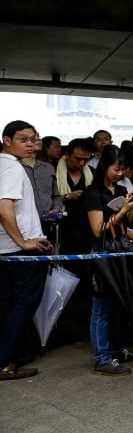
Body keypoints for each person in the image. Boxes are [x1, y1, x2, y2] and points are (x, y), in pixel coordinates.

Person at [85, 145, 133, 375]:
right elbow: (98, 230)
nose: (120, 173)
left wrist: (131, 206)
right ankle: (102, 357)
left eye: (122, 169)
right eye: (115, 169)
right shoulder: (94, 194)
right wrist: (121, 212)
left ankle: (115, 349)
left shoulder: (121, 188)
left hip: (121, 250)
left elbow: (130, 223)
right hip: (102, 255)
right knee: (101, 306)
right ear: (104, 167)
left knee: (119, 303)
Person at [0, 120, 50, 380]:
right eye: (23, 139)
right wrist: (23, 242)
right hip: (20, 252)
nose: (31, 144)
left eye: (33, 138)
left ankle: (7, 357)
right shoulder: (11, 168)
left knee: (8, 306)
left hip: (6, 251)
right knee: (23, 305)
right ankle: (4, 362)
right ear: (7, 140)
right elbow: (3, 207)